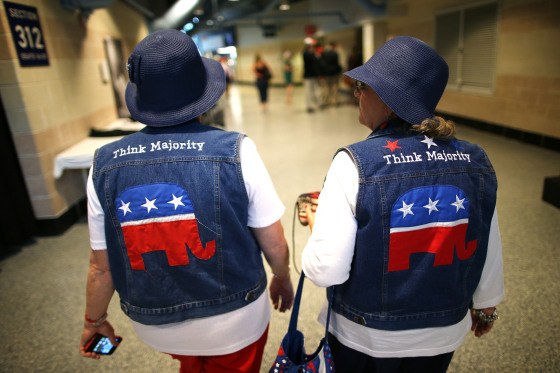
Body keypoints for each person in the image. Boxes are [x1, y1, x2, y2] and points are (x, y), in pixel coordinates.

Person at [79, 29, 294, 373]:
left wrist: (94, 321)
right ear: (203, 93)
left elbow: (99, 267)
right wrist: (281, 276)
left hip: (155, 324)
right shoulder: (237, 150)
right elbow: (274, 241)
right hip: (235, 321)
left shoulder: (104, 162)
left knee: (190, 360)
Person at [301, 36, 504, 373]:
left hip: (366, 335)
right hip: (444, 332)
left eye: (363, 87)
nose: (355, 93)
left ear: (390, 100)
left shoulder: (355, 162)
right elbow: (488, 241)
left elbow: (326, 270)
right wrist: (486, 307)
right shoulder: (476, 159)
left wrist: (314, 229)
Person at [321, 42, 342, 106]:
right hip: (334, 73)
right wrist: (339, 71)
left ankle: (326, 101)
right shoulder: (335, 53)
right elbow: (337, 64)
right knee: (335, 87)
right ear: (334, 46)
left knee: (327, 87)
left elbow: (322, 64)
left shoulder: (324, 53)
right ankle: (335, 101)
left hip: (327, 73)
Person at [302, 42, 321, 113]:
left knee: (314, 90)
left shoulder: (312, 55)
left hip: (313, 76)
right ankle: (309, 106)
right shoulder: (307, 54)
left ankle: (318, 103)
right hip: (308, 76)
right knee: (308, 91)